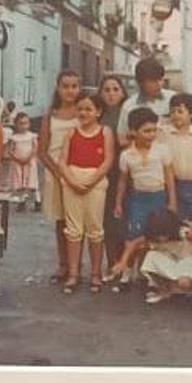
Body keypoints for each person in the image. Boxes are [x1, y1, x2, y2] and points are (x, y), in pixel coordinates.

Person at [106, 106, 176, 291]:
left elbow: (169, 178)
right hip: (138, 200)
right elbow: (122, 182)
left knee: (152, 239)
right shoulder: (127, 155)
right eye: (146, 131)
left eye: (154, 130)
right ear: (133, 132)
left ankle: (149, 277)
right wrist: (119, 204)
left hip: (158, 198)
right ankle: (126, 275)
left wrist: (172, 201)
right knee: (133, 237)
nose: (151, 134)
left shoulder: (162, 150)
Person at [56, 91, 114, 293]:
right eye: (80, 109)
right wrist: (71, 180)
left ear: (98, 112)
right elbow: (62, 161)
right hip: (72, 181)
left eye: (89, 109)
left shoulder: (105, 132)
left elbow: (108, 160)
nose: (84, 112)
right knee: (73, 230)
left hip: (95, 183)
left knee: (95, 229)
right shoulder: (71, 132)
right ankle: (73, 274)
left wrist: (92, 180)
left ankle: (96, 273)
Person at [38, 71, 83, 283]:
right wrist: (57, 173)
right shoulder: (50, 115)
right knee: (61, 220)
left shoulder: (83, 113)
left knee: (78, 220)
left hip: (79, 170)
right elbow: (42, 151)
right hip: (56, 173)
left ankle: (76, 265)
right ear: (58, 88)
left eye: (74, 86)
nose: (70, 91)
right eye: (65, 86)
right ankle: (63, 264)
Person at [138, 206, 192, 306]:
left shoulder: (183, 232)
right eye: (158, 235)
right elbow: (135, 242)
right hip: (174, 261)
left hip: (191, 262)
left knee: (184, 283)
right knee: (150, 257)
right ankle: (164, 291)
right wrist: (123, 262)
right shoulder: (152, 236)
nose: (161, 238)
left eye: (164, 234)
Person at [162, 92, 192, 223]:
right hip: (172, 184)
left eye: (180, 111)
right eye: (172, 111)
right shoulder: (164, 132)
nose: (175, 115)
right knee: (175, 219)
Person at [117, 57, 174, 140]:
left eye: (161, 79)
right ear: (141, 82)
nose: (159, 84)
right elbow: (122, 138)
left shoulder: (172, 99)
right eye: (153, 81)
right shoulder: (129, 106)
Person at [2, 111, 40, 193]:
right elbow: (10, 150)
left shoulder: (32, 136)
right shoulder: (14, 138)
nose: (24, 126)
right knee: (18, 178)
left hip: (29, 161)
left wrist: (29, 158)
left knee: (30, 178)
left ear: (29, 124)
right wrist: (17, 159)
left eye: (26, 123)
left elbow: (35, 148)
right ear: (16, 125)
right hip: (17, 162)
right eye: (21, 124)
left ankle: (30, 195)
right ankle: (19, 194)